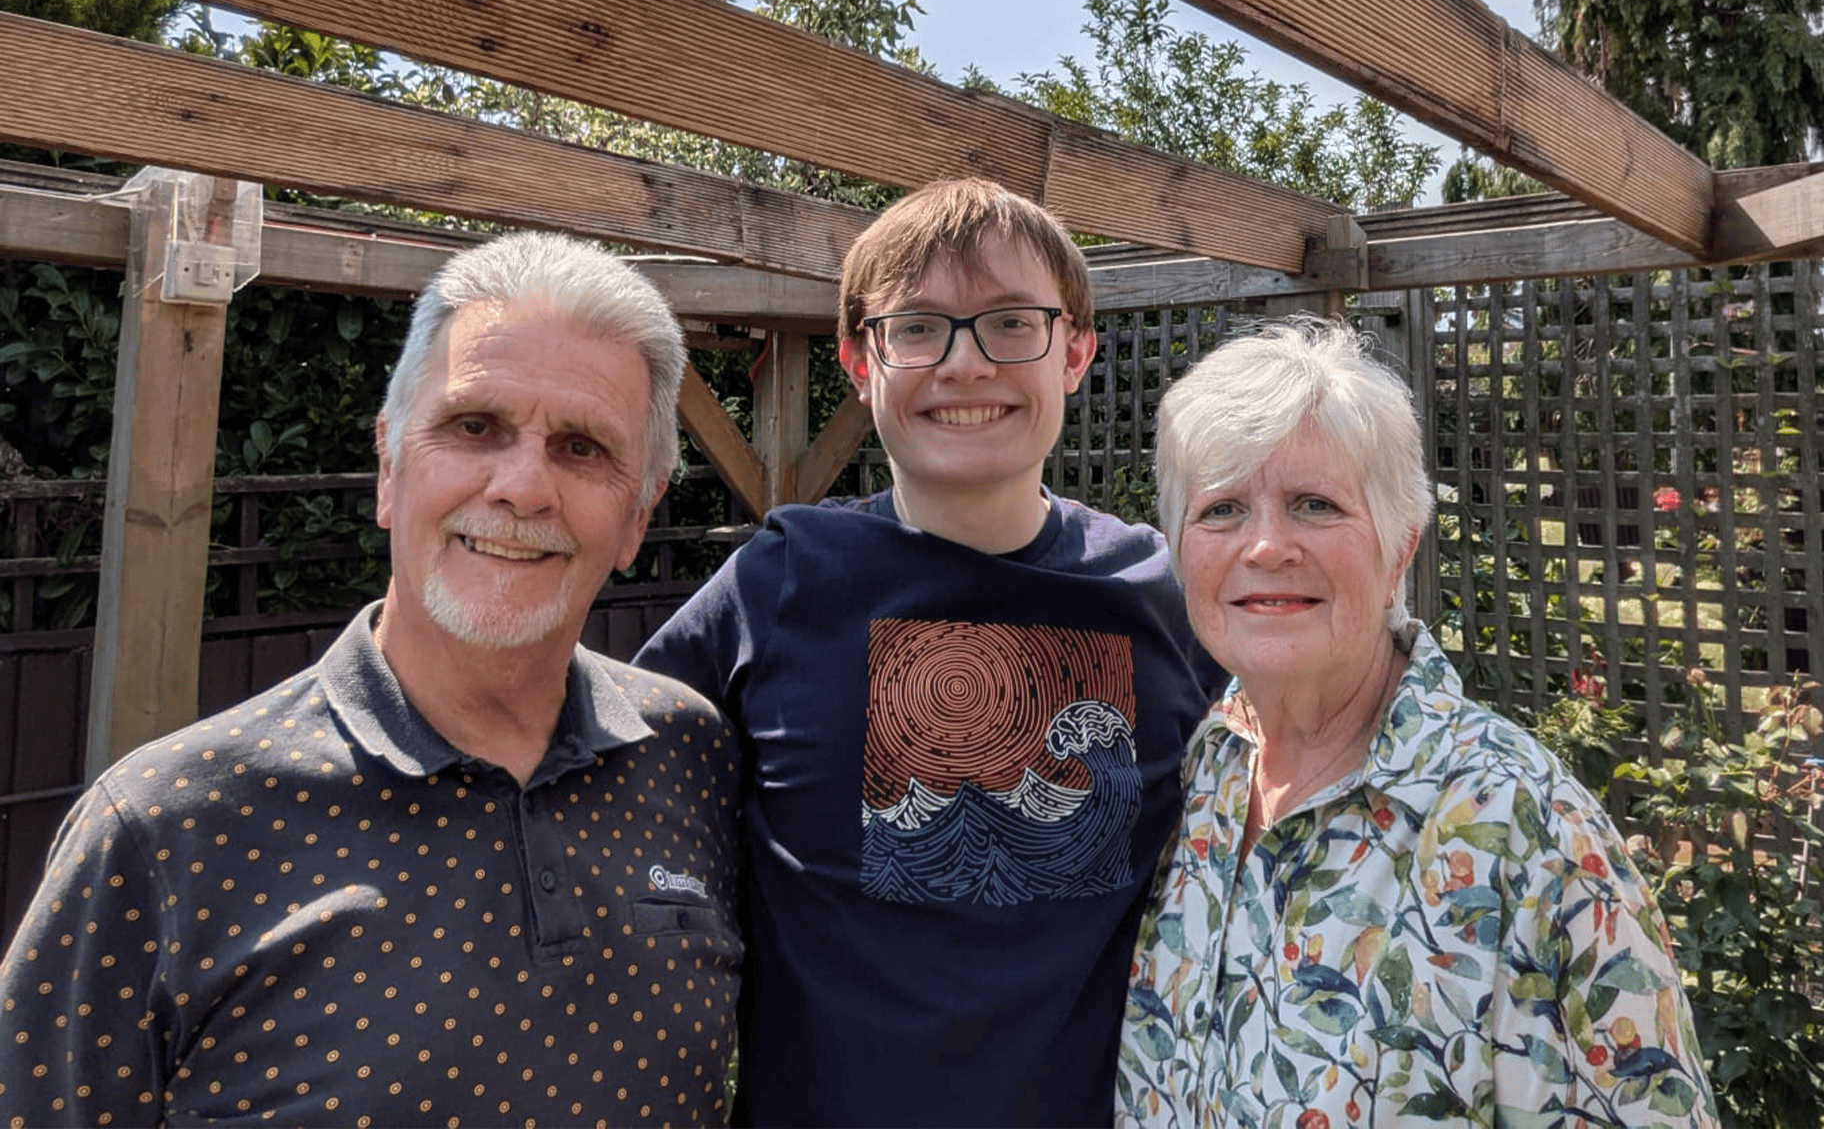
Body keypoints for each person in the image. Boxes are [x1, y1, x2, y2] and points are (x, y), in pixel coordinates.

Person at [0, 232, 742, 1128]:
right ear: (390, 465)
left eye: (582, 448)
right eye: (475, 427)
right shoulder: (164, 829)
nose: (521, 486)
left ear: (638, 517)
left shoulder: (688, 752)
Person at [637, 178, 1225, 1127]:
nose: (964, 363)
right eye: (917, 328)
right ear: (858, 362)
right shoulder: (782, 577)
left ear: (1074, 352)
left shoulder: (1161, 594)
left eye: (1009, 324)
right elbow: (612, 763)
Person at [1116, 317, 1718, 1128]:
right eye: (1221, 509)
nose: (1264, 545)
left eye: (1314, 504)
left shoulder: (1526, 831)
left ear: (1401, 545)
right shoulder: (1194, 782)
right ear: (1183, 552)